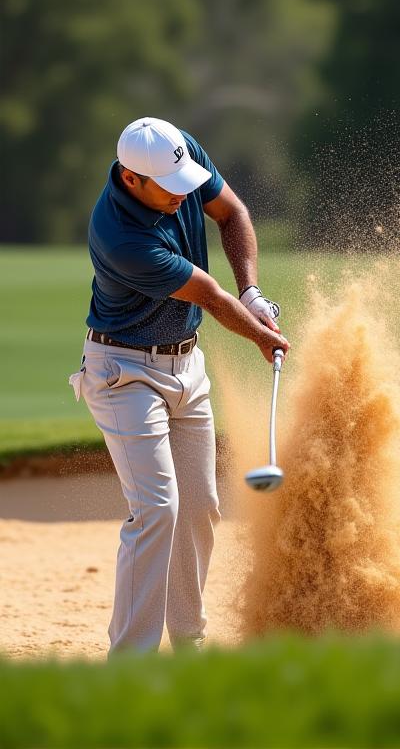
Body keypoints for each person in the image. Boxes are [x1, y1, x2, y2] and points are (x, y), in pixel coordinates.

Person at [69, 117, 289, 654]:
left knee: (199, 506)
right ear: (131, 179)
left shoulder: (173, 154)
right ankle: (132, 663)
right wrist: (261, 334)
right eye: (171, 188)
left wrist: (254, 291)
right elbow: (210, 298)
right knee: (157, 508)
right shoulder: (121, 236)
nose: (183, 193)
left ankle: (188, 643)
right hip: (124, 373)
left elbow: (231, 212)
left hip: (187, 368)